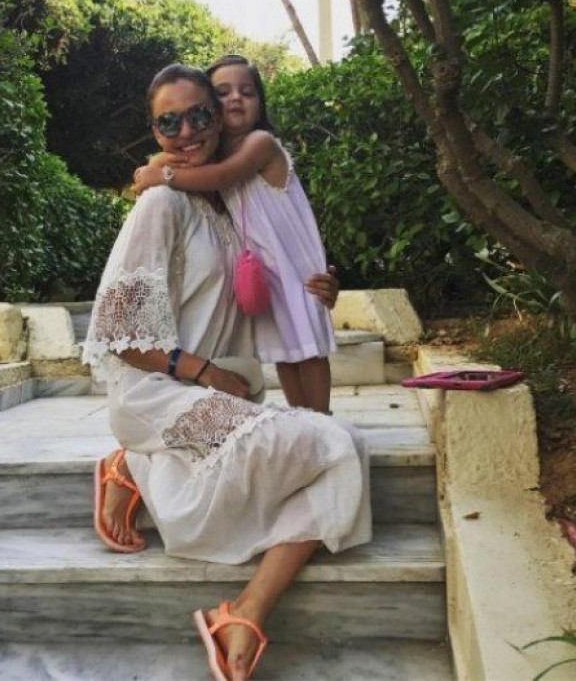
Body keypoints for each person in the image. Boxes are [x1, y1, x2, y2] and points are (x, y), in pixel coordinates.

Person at [84, 64, 371, 681]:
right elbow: (119, 333)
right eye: (169, 123)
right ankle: (133, 459)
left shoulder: (229, 204)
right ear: (155, 131)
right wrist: (204, 371)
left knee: (342, 446)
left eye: (198, 115)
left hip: (213, 396)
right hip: (158, 394)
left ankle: (246, 609)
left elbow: (279, 261)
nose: (186, 131)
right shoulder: (161, 203)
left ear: (218, 118)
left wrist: (319, 283)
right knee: (330, 444)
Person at [133, 54, 335, 414]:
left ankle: (322, 416)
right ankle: (301, 415)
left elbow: (221, 177)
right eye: (223, 93)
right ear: (212, 109)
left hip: (296, 268)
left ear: (261, 103)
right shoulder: (210, 155)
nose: (236, 98)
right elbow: (171, 163)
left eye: (247, 92)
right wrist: (155, 165)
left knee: (310, 349)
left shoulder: (260, 143)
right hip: (268, 273)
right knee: (286, 351)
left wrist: (161, 175)